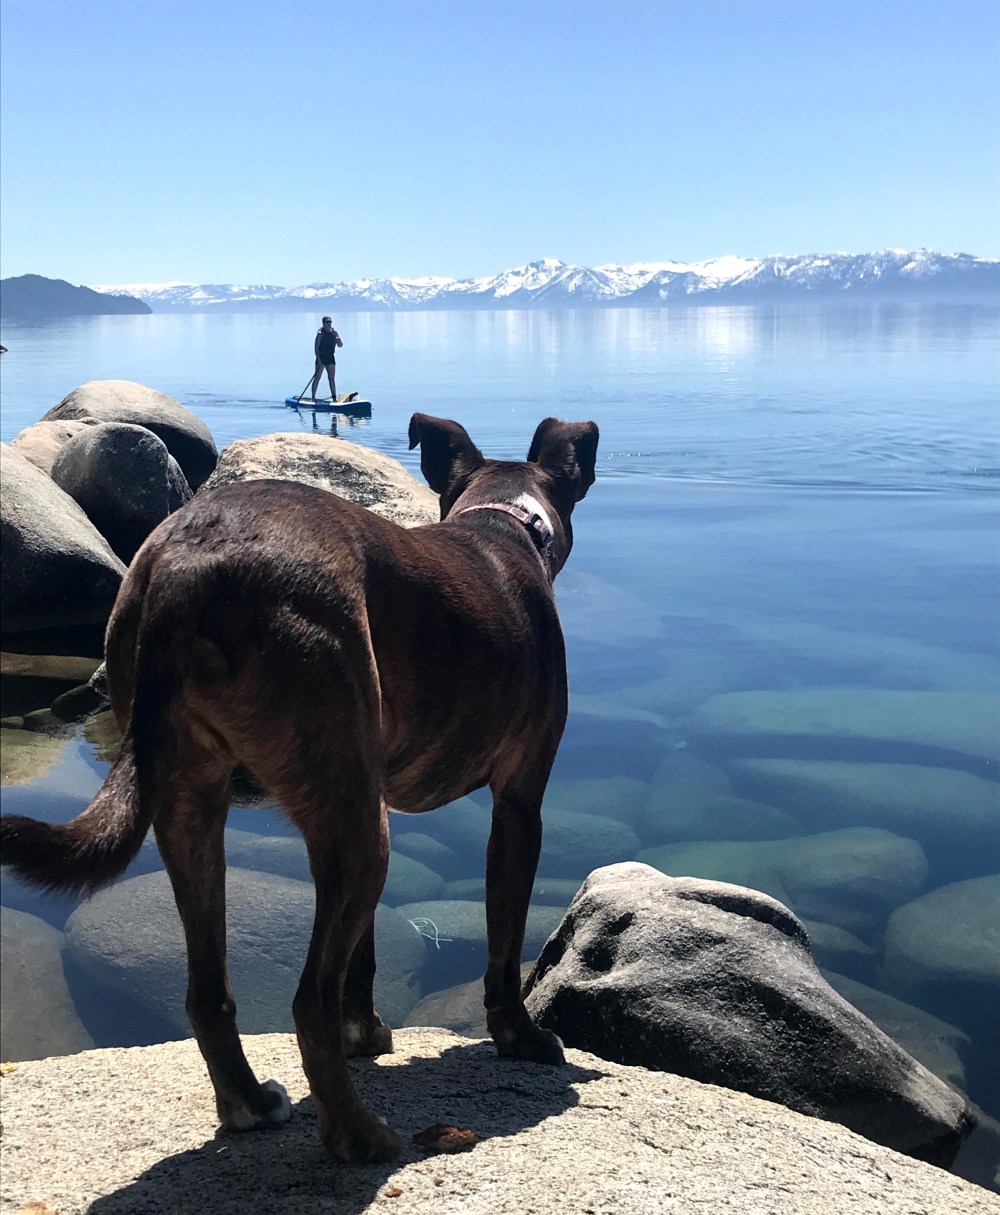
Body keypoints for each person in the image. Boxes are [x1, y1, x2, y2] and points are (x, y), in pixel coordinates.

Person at [310, 316, 343, 401]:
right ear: (323, 324)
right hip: (321, 356)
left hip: (330, 357)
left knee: (331, 378)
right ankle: (313, 397)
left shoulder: (334, 333)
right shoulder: (320, 333)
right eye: (327, 322)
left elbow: (340, 346)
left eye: (330, 322)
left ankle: (334, 398)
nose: (329, 324)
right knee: (317, 377)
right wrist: (319, 361)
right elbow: (316, 348)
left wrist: (339, 341)